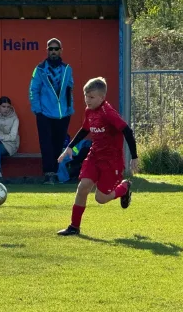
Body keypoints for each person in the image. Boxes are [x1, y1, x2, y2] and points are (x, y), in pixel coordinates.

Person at [56, 77, 138, 236]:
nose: (88, 100)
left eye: (91, 97)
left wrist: (134, 156)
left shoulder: (109, 113)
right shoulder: (89, 111)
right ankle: (74, 227)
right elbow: (85, 129)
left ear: (102, 97)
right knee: (82, 187)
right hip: (94, 156)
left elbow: (127, 131)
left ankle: (125, 187)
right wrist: (70, 147)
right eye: (86, 96)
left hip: (111, 161)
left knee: (101, 198)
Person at [29, 38, 74, 184]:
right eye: (51, 49)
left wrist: (69, 109)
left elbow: (69, 90)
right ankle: (49, 174)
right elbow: (33, 90)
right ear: (47, 51)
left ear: (61, 50)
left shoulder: (67, 69)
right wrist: (38, 111)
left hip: (63, 114)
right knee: (46, 144)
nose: (53, 51)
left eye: (56, 49)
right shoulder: (40, 69)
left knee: (58, 143)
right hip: (45, 113)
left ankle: (56, 173)